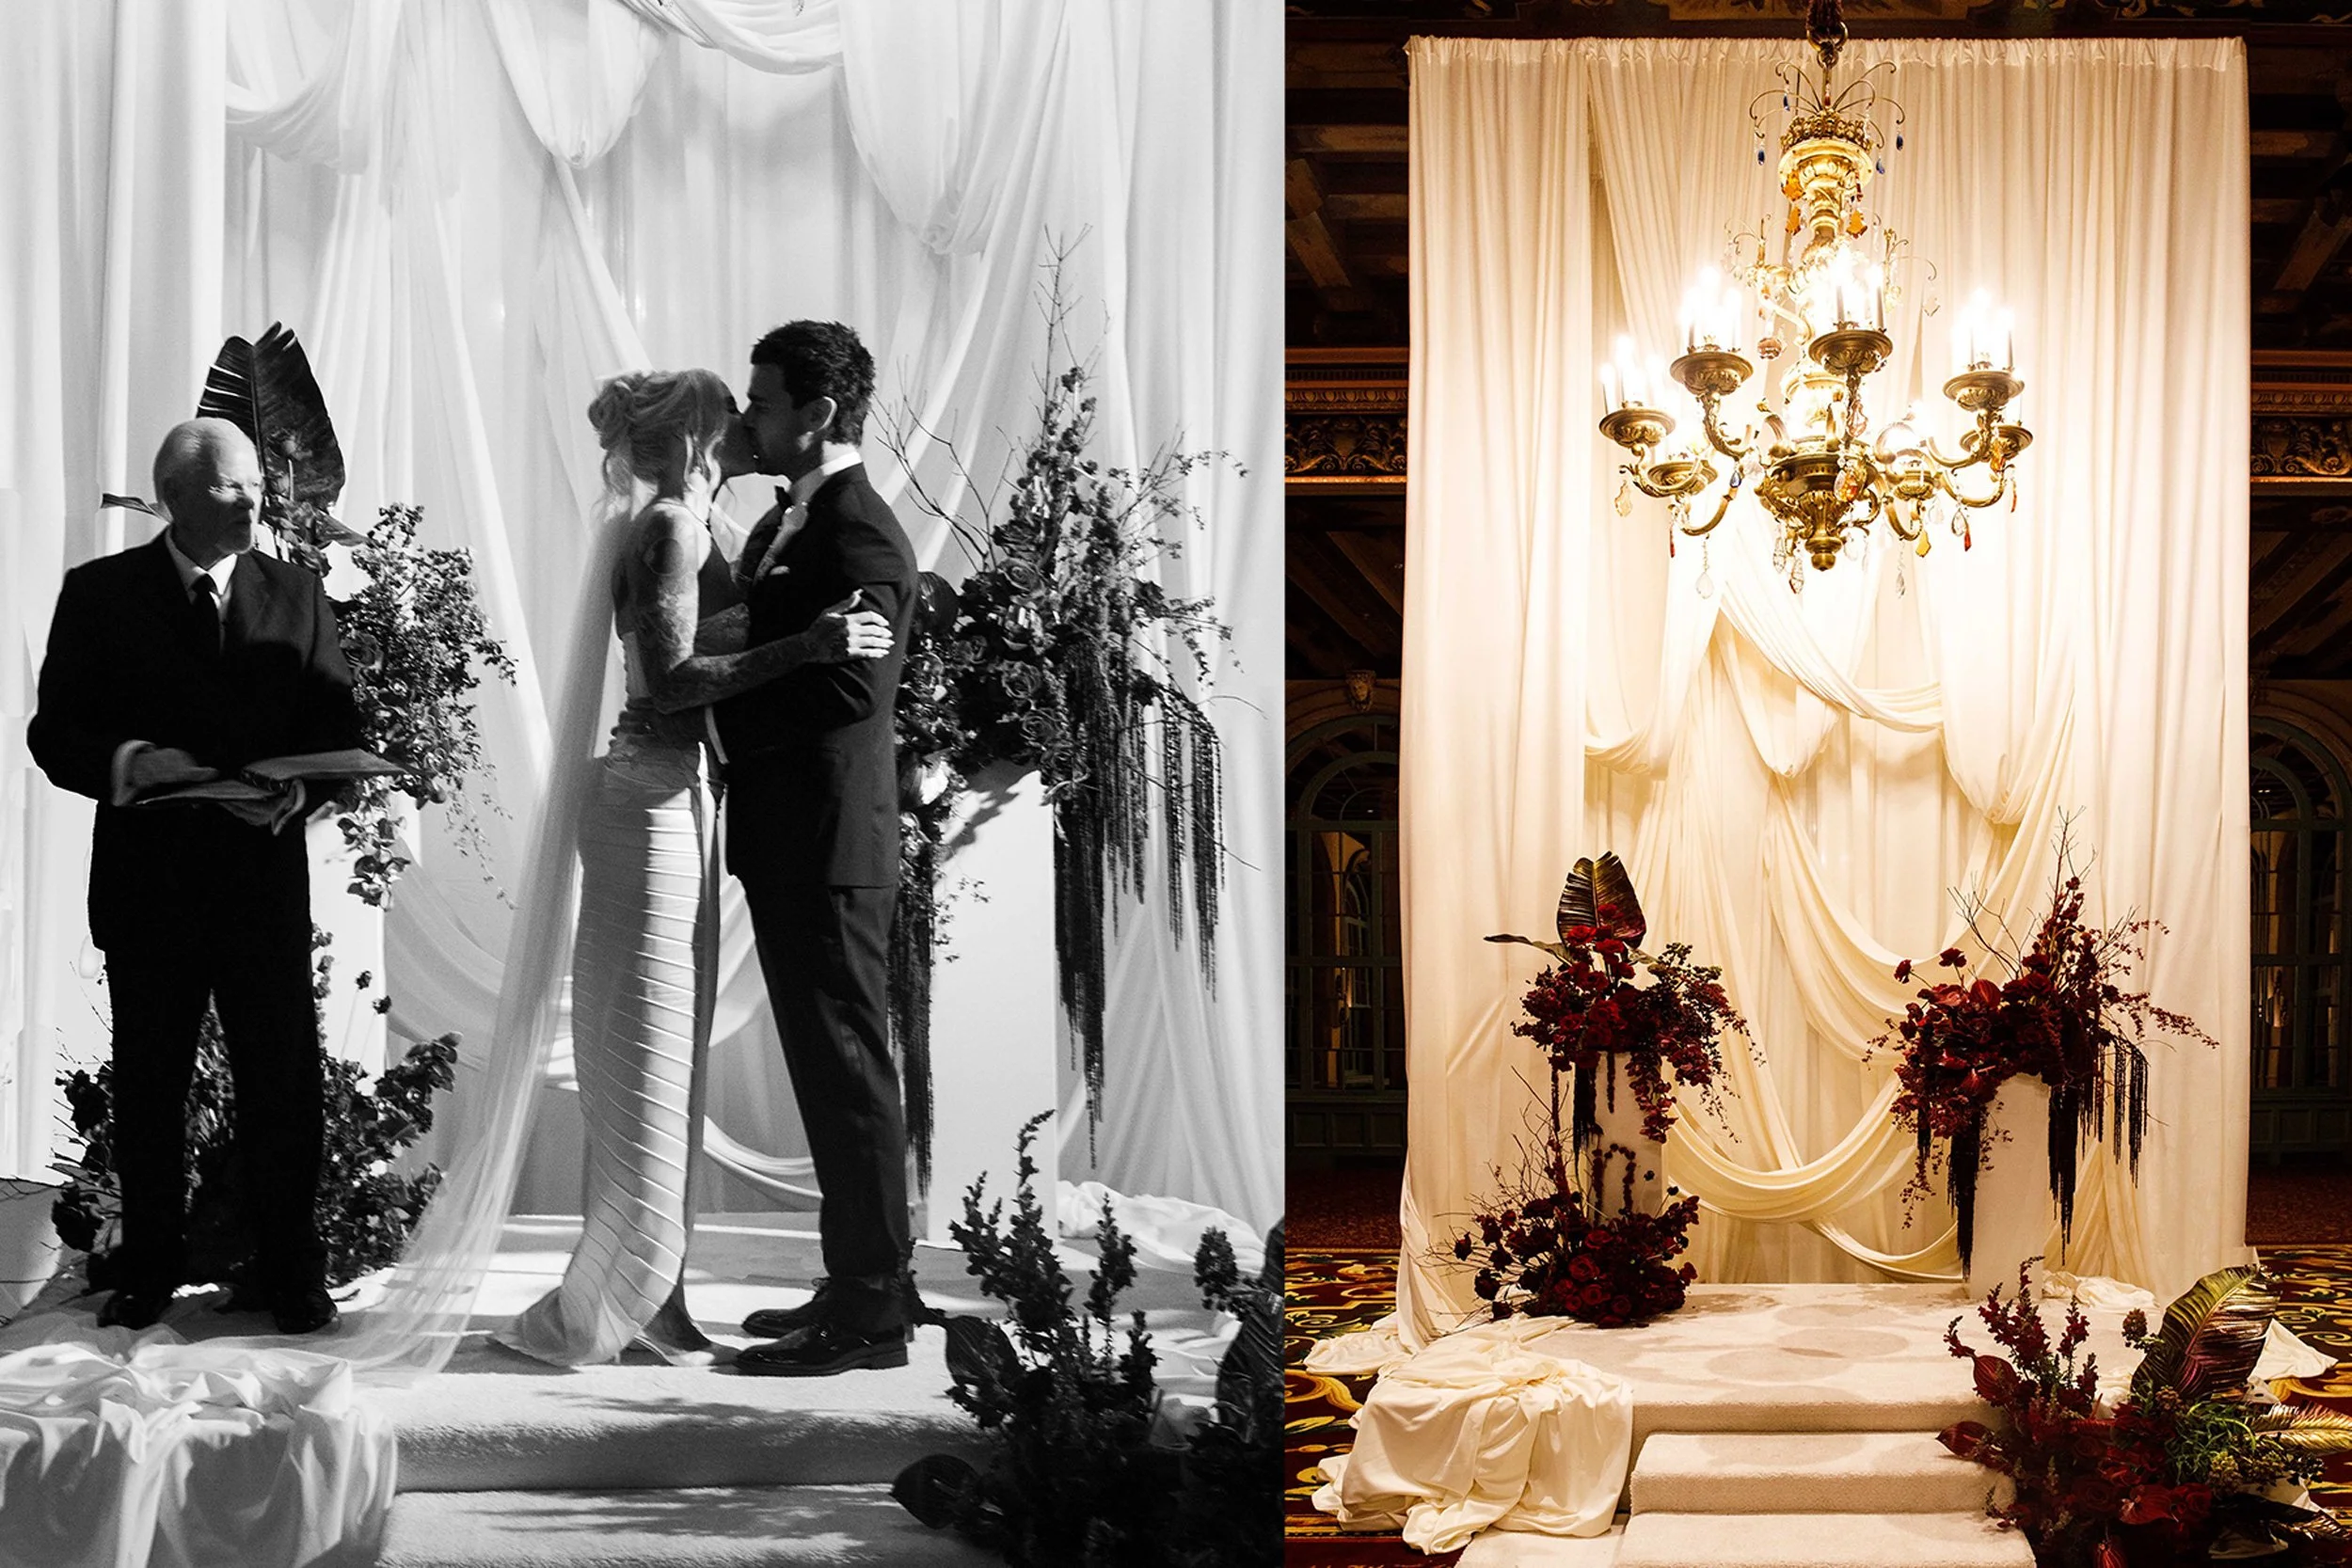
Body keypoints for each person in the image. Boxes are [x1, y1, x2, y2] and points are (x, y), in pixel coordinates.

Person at [494, 369, 891, 1367]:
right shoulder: (671, 527)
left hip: (687, 797)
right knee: (645, 1054)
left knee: (669, 1057)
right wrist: (810, 643)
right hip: (651, 796)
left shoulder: (705, 526)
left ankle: (646, 1292)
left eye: (764, 402)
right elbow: (669, 685)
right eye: (739, 410)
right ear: (701, 435)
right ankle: (617, 1299)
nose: (756, 422)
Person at [27, 418, 360, 1336]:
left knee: (283, 1087)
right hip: (150, 888)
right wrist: (131, 762)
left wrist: (300, 791)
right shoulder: (100, 596)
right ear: (175, 495)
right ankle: (148, 1270)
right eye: (229, 486)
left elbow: (341, 730)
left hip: (261, 887)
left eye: (256, 481)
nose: (255, 497)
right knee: (149, 1087)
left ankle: (293, 1269)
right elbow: (54, 734)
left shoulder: (297, 592)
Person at [714, 322, 921, 1377]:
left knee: (846, 1071)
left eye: (761, 400)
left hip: (831, 843)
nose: (748, 416)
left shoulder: (861, 534)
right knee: (829, 1064)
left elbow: (850, 688)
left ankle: (873, 1312)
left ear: (818, 412)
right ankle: (860, 1277)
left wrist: (714, 708)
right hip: (796, 837)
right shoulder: (792, 519)